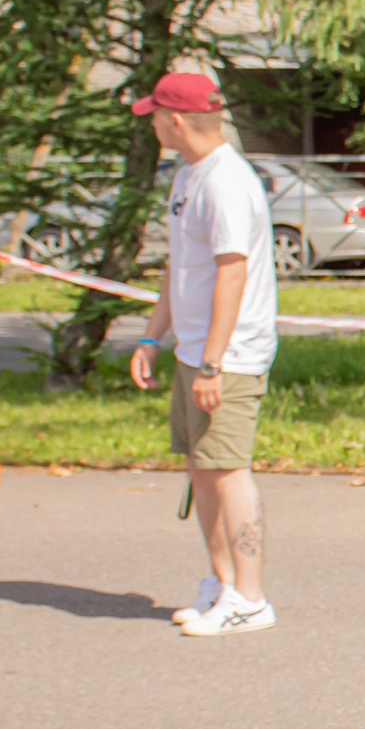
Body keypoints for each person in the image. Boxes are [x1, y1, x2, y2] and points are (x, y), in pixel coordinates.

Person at [125, 71, 278, 637]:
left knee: (228, 469)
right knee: (201, 468)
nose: (153, 124)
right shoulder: (188, 174)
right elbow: (179, 265)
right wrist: (151, 336)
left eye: (156, 116)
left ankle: (252, 597)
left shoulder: (226, 181)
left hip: (231, 354)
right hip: (194, 349)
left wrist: (214, 360)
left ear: (177, 120)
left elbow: (231, 272)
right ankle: (221, 585)